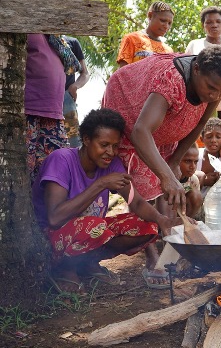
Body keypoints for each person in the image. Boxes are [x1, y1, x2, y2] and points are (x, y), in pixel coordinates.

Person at [102, 46, 221, 286]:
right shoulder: (171, 80)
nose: (213, 95)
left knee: (167, 184)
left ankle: (168, 245)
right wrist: (166, 176)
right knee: (141, 186)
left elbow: (201, 121)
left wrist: (174, 161)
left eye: (220, 90)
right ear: (196, 69)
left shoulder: (218, 82)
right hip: (129, 104)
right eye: (209, 87)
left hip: (163, 125)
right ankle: (152, 257)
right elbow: (140, 130)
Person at [32, 109, 178, 294]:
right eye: (104, 144)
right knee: (96, 227)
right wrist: (101, 184)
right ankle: (63, 268)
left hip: (87, 232)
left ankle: (87, 263)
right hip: (49, 239)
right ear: (86, 140)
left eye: (115, 146)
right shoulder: (61, 160)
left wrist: (162, 219)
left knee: (147, 226)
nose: (110, 152)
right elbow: (54, 218)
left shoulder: (111, 164)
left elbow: (137, 203)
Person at [24, 0, 81, 185]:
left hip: (55, 113)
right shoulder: (18, 18)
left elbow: (73, 64)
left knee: (53, 175)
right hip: (28, 110)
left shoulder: (51, 28)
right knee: (24, 176)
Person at [185, 6, 221, 119]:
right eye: (209, 22)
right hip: (199, 106)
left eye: (218, 21)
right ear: (203, 26)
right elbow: (188, 74)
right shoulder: (195, 45)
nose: (214, 25)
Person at [116, 1, 174, 68]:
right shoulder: (132, 39)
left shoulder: (168, 51)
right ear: (150, 16)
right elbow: (122, 73)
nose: (166, 26)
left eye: (169, 23)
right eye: (163, 20)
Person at [195, 117, 221, 198]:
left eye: (218, 137)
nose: (213, 140)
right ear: (201, 139)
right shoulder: (196, 156)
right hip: (194, 200)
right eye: (209, 136)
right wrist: (204, 181)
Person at [62, 36, 90, 148]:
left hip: (66, 99)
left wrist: (75, 86)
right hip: (42, 98)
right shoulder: (38, 39)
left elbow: (85, 73)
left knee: (74, 143)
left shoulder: (71, 42)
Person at [179, 143, 203, 219]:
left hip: (184, 213)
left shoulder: (193, 180)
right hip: (167, 214)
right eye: (187, 161)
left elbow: (195, 201)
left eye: (195, 162)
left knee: (196, 195)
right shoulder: (167, 179)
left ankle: (185, 222)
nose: (193, 166)